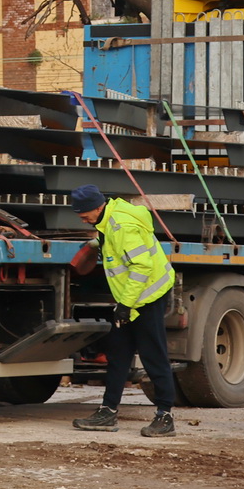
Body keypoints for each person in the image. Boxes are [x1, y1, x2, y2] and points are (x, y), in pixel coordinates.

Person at [67, 183, 178, 437]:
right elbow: (114, 242)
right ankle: (107, 411)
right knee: (118, 353)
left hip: (147, 297)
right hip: (133, 298)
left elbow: (141, 266)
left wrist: (126, 305)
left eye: (84, 213)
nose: (82, 218)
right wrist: (95, 244)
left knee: (153, 355)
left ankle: (165, 415)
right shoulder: (108, 220)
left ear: (98, 207)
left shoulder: (122, 226)